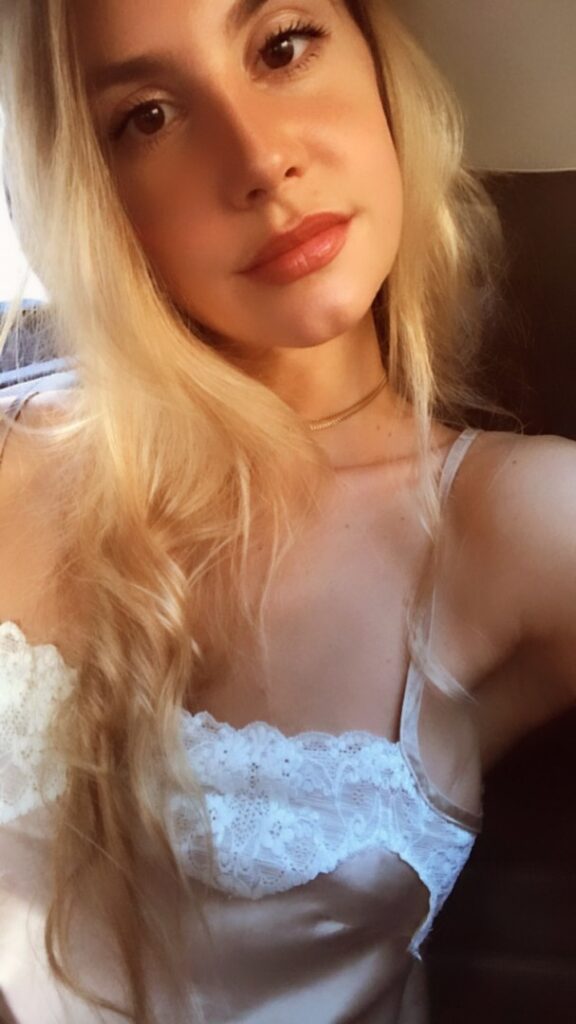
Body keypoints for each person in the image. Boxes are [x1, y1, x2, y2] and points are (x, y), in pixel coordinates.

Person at [0, 2, 575, 1022]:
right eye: (149, 116)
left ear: (378, 64)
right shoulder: (13, 453)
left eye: (282, 46)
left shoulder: (517, 521)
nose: (261, 161)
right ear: (91, 190)